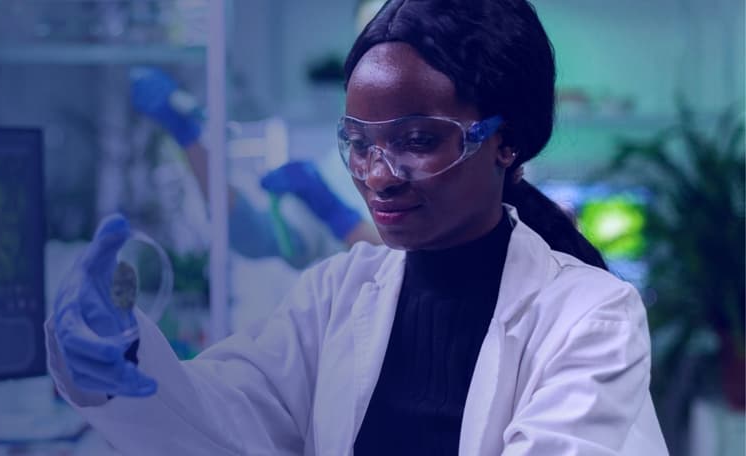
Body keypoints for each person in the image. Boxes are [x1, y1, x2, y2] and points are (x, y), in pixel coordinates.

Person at [45, 0, 668, 454]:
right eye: (360, 143)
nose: (378, 176)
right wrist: (120, 356)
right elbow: (222, 418)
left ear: (506, 141)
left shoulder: (591, 316)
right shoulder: (336, 295)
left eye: (417, 141)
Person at [130, 66, 382, 269]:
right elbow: (252, 235)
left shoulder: (403, 172)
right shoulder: (337, 168)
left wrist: (339, 216)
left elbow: (400, 265)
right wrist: (189, 140)